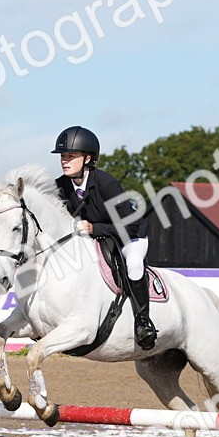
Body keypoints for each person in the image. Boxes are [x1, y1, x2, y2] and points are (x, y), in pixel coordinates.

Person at [51, 125, 157, 350]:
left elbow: (131, 224)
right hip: (95, 239)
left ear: (87, 158)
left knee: (134, 264)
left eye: (71, 156)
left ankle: (143, 322)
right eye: (63, 156)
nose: (64, 161)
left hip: (130, 236)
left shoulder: (106, 183)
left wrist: (94, 229)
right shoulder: (60, 186)